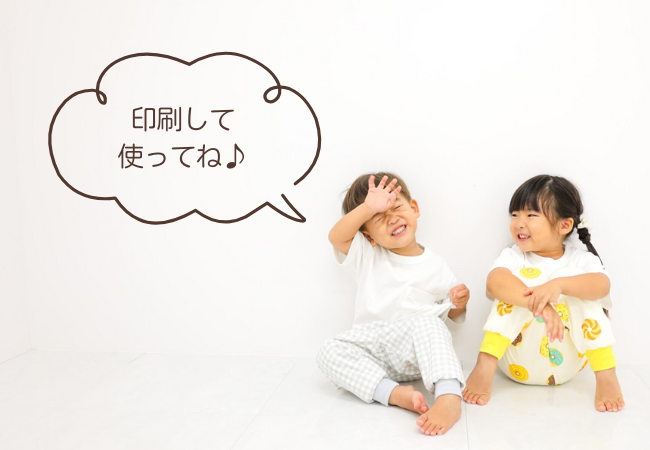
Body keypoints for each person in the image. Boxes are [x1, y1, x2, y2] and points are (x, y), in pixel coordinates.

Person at [317, 172, 469, 436]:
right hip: (372, 352)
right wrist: (367, 208)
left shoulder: (435, 265)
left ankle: (448, 396)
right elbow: (336, 237)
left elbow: (452, 315)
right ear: (368, 235)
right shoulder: (367, 254)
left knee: (430, 323)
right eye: (378, 217)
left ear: (414, 208)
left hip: (414, 356)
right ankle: (394, 394)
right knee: (328, 351)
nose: (392, 218)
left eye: (396, 207)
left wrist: (459, 302)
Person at [463, 174, 625, 412]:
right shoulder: (514, 256)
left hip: (566, 367)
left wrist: (559, 286)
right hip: (516, 362)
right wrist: (541, 305)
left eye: (531, 215)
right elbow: (494, 283)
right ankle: (484, 366)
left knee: (581, 289)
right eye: (515, 215)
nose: (519, 223)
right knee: (516, 286)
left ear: (564, 225)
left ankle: (607, 375)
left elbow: (602, 286)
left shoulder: (581, 260)